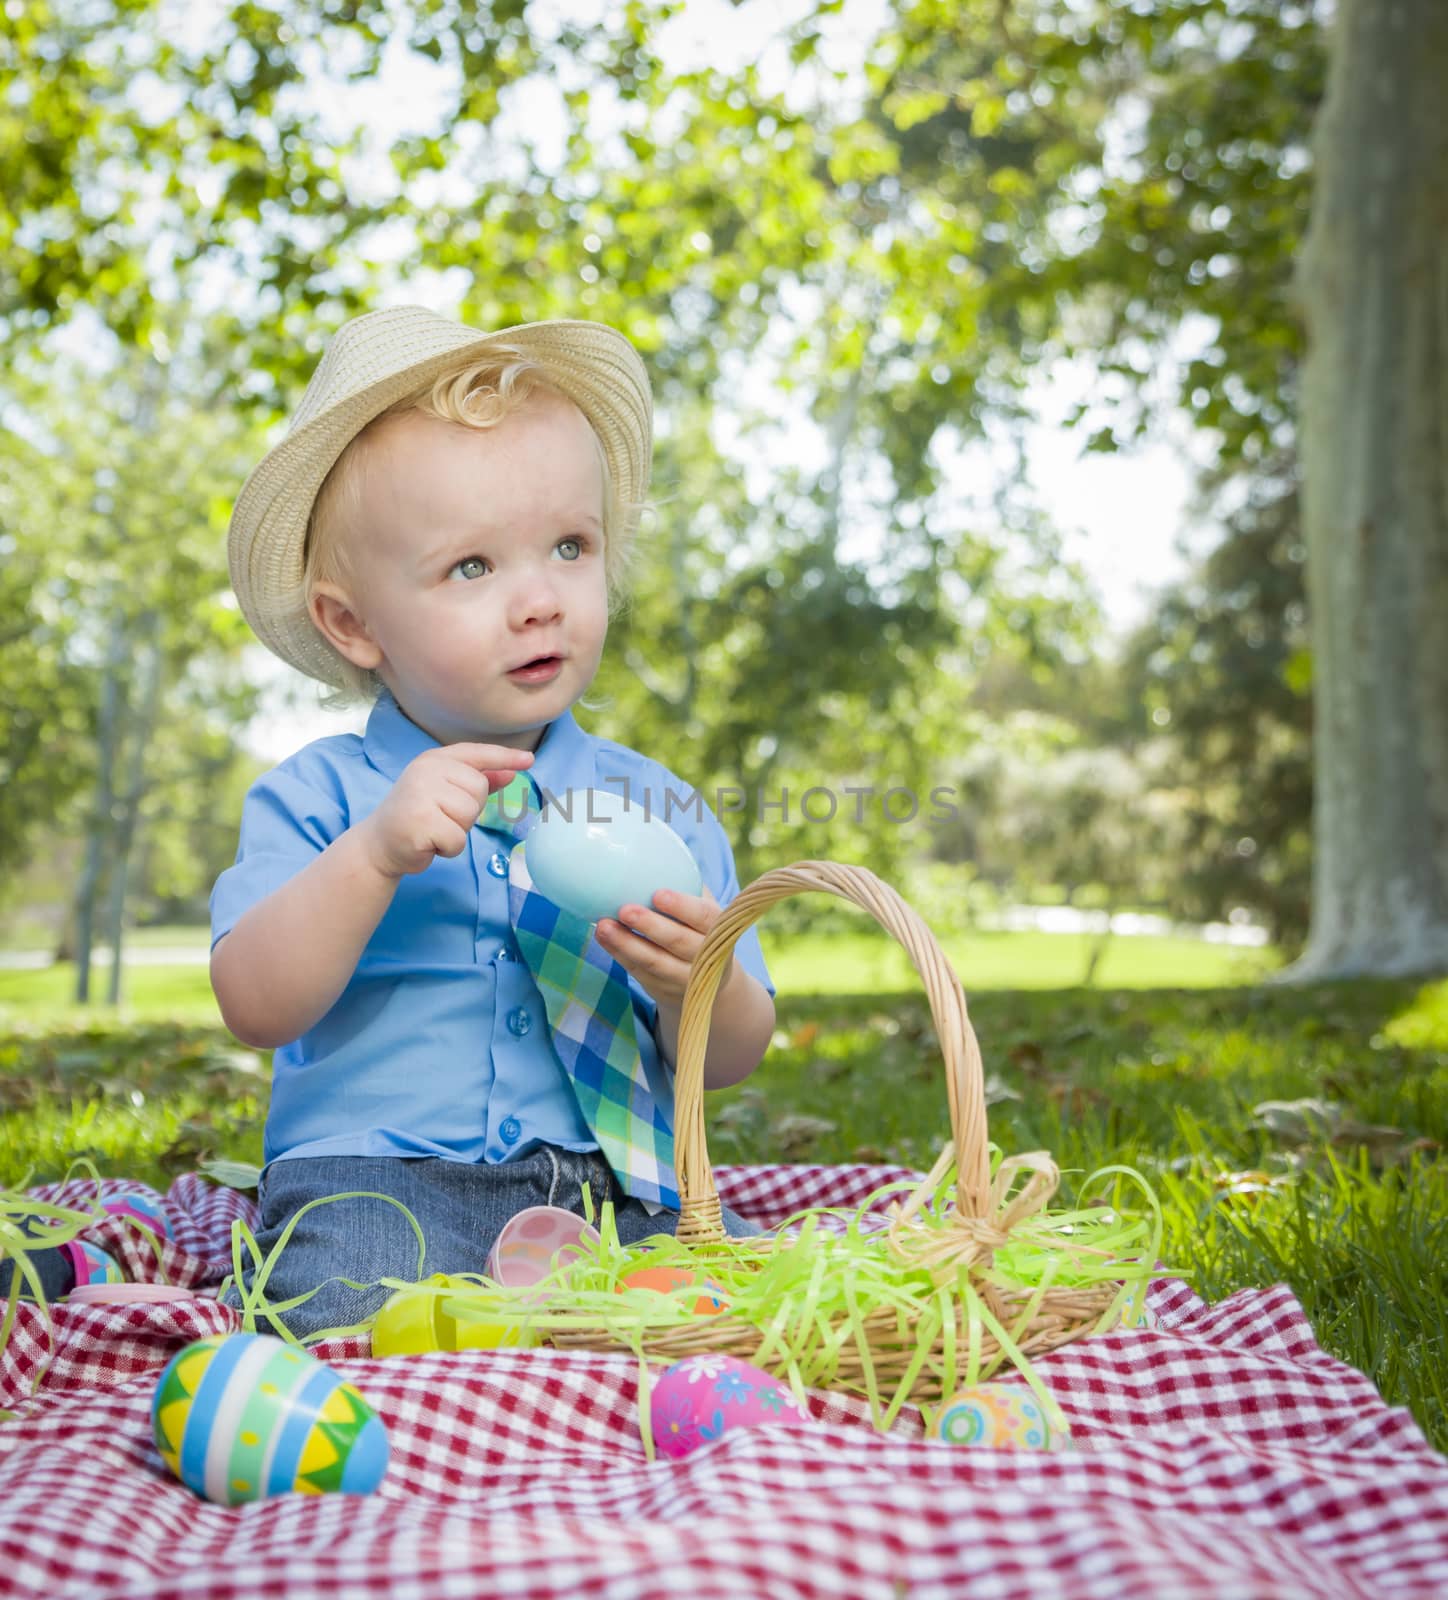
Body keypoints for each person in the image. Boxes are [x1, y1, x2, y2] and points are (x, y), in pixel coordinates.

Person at [210, 305, 777, 1338]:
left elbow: (734, 1052)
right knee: (342, 1328)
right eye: (472, 567)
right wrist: (373, 855)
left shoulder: (657, 807)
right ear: (352, 622)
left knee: (731, 1321)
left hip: (613, 1189)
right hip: (380, 1184)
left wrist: (700, 982)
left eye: (569, 546)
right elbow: (254, 1002)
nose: (538, 601)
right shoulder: (322, 799)